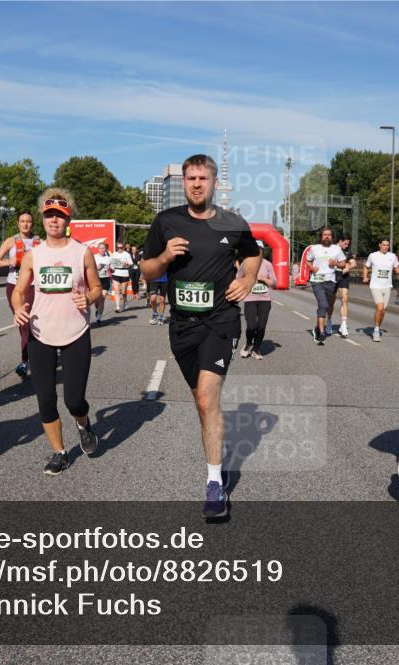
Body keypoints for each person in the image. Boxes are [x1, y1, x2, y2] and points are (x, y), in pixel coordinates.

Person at [140, 154, 261, 519]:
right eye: (190, 178)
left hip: (221, 321)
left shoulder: (233, 223)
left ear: (214, 183)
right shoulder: (166, 221)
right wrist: (164, 256)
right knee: (201, 401)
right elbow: (147, 271)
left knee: (208, 399)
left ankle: (214, 483)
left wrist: (247, 280)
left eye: (202, 178)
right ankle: (214, 455)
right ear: (184, 183)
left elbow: (253, 255)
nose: (196, 184)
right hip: (182, 325)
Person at [12, 190, 101, 474]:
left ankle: (83, 424)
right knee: (46, 399)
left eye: (59, 216)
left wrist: (88, 298)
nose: (54, 220)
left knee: (74, 399)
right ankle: (59, 452)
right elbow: (18, 291)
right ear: (42, 218)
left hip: (76, 332)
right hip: (40, 333)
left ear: (68, 219)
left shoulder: (82, 252)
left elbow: (98, 288)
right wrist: (17, 309)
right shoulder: (33, 255)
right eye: (49, 215)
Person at [0, 211, 40, 379]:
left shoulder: (39, 242)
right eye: (22, 221)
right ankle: (33, 351)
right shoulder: (11, 241)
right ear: (18, 223)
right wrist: (9, 261)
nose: (25, 224)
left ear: (32, 223)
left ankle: (25, 361)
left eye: (29, 221)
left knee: (26, 322)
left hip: (33, 285)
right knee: (22, 324)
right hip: (13, 285)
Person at [305, 227, 346, 345]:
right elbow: (308, 261)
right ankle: (321, 333)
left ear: (332, 237)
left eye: (329, 235)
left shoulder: (337, 249)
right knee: (322, 305)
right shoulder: (314, 248)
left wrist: (336, 263)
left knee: (327, 306)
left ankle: (317, 328)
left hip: (331, 281)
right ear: (321, 237)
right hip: (317, 280)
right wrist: (312, 267)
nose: (327, 237)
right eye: (324, 235)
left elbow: (343, 264)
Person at [239, 246, 277, 358]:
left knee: (261, 327)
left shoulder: (267, 264)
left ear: (262, 251)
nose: (257, 252)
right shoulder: (245, 263)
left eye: (259, 250)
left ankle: (256, 349)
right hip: (250, 299)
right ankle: (248, 344)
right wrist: (246, 281)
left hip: (265, 300)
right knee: (251, 326)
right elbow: (237, 278)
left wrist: (264, 279)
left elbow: (274, 282)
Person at [362, 238, 399, 342]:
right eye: (384, 245)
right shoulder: (373, 255)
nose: (386, 247)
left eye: (387, 245)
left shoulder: (392, 256)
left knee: (383, 311)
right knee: (379, 308)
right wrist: (365, 277)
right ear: (379, 245)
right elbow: (366, 267)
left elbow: (397, 268)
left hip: (387, 286)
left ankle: (377, 327)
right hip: (375, 285)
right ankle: (376, 330)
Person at [327, 236, 356, 337]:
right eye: (345, 243)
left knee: (345, 298)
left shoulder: (348, 252)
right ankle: (329, 322)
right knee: (331, 301)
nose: (346, 246)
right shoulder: (332, 249)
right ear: (340, 241)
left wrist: (348, 267)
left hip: (344, 277)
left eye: (348, 244)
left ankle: (343, 324)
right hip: (332, 276)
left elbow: (354, 263)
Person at [109, 243, 134, 313]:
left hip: (124, 273)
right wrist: (111, 268)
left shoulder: (126, 254)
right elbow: (111, 264)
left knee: (123, 292)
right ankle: (117, 307)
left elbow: (131, 264)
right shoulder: (114, 254)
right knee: (117, 291)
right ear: (116, 248)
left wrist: (126, 264)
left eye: (121, 248)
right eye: (118, 248)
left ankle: (125, 303)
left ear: (123, 248)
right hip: (115, 273)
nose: (119, 249)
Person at [93, 242, 112, 324]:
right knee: (96, 300)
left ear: (106, 249)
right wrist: (96, 268)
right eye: (100, 248)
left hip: (105, 279)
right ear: (98, 249)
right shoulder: (94, 257)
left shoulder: (109, 258)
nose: (102, 250)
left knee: (102, 298)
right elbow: (90, 269)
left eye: (103, 248)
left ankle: (99, 317)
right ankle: (97, 309)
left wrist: (110, 269)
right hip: (96, 279)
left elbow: (113, 269)